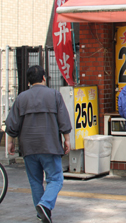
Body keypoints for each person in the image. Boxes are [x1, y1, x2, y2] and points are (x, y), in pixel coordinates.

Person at [5, 65, 72, 223]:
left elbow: (12, 124)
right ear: (44, 78)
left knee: (35, 181)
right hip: (49, 145)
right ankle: (45, 204)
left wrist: (10, 142)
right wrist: (67, 139)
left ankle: (41, 213)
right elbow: (63, 119)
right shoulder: (54, 95)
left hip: (28, 147)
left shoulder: (22, 97)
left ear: (29, 81)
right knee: (55, 179)